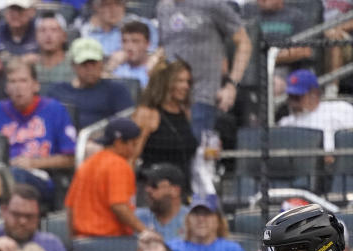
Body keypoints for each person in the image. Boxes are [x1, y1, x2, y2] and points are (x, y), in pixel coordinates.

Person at [0, 58, 77, 196]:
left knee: (17, 175)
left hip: (40, 176)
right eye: (13, 81)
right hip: (0, 175)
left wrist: (34, 163)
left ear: (36, 85)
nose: (18, 87)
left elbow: (70, 158)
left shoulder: (55, 109)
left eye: (23, 81)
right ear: (6, 87)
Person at [157, 0, 252, 138]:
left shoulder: (213, 5)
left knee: (197, 151)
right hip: (169, 98)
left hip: (203, 96)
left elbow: (244, 42)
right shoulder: (163, 8)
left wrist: (231, 85)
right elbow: (164, 47)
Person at [65, 118, 147, 238]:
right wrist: (144, 231)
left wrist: (73, 239)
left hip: (81, 240)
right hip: (109, 241)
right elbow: (119, 206)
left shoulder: (87, 164)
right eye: (133, 143)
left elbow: (70, 207)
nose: (134, 150)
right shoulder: (119, 164)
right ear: (118, 142)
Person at [132, 59, 198, 192]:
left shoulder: (185, 113)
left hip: (182, 190)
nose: (186, 86)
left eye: (188, 81)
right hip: (154, 191)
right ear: (165, 83)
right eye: (180, 81)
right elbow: (131, 157)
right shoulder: (147, 114)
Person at [44, 37, 134, 129]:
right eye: (84, 64)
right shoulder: (57, 91)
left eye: (93, 63)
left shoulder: (116, 91)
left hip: (102, 141)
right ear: (73, 65)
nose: (90, 69)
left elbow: (127, 126)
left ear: (102, 63)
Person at [168, 195, 250, 251]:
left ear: (218, 220)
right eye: (196, 214)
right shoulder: (172, 248)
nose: (201, 219)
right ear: (188, 220)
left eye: (207, 214)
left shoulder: (232, 250)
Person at [278, 69, 353, 155]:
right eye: (290, 97)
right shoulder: (285, 123)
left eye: (297, 97)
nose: (293, 103)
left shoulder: (339, 109)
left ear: (314, 93)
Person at [76, 0, 157, 58]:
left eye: (118, 3)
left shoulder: (142, 25)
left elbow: (153, 54)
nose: (113, 9)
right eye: (106, 4)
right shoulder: (85, 32)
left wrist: (128, 54)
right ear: (96, 8)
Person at [134, 163, 189, 243]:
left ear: (175, 191)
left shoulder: (193, 221)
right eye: (147, 184)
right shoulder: (136, 218)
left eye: (154, 185)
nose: (148, 190)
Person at [107, 20, 154, 88]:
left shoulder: (153, 70)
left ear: (147, 44)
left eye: (135, 41)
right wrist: (110, 68)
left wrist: (154, 74)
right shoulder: (116, 68)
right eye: (124, 41)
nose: (129, 47)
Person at [32, 11, 73, 86]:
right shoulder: (31, 67)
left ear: (64, 36)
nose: (48, 35)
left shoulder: (74, 65)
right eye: (42, 30)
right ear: (36, 36)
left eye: (54, 30)